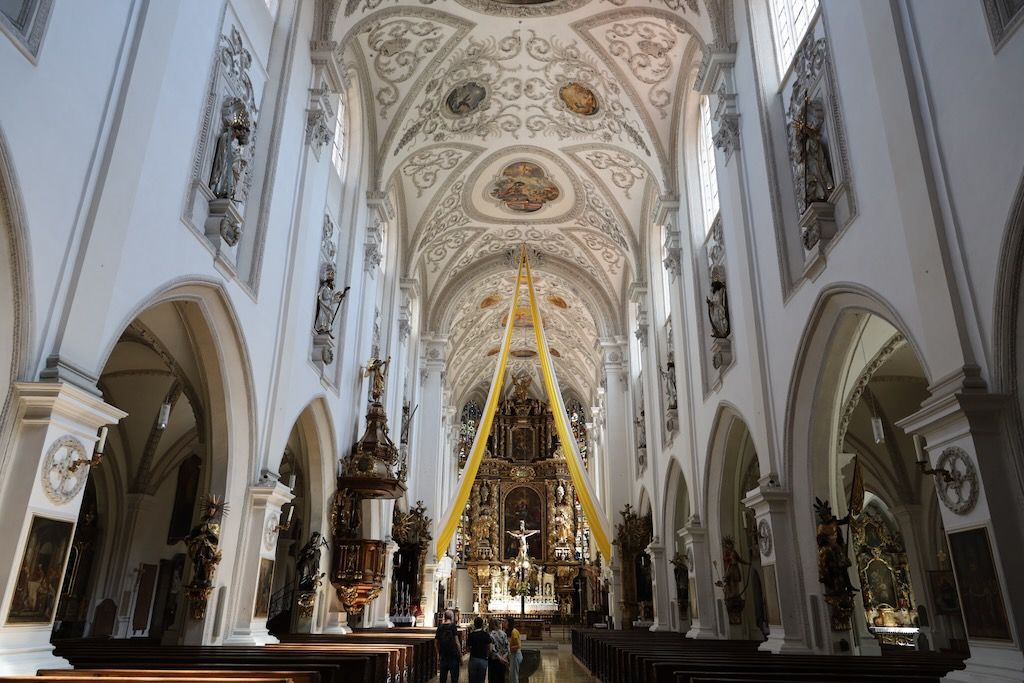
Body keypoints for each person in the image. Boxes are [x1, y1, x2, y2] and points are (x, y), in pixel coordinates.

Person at [435, 609, 461, 683]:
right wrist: (460, 655)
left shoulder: (440, 627)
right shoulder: (453, 627)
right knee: (454, 678)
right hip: (453, 655)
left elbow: (436, 642)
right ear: (452, 617)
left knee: (443, 679)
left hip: (443, 655)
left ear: (444, 617)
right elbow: (457, 642)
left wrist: (438, 654)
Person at [467, 616, 491, 683]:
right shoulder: (486, 634)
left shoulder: (471, 635)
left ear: (474, 624)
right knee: (481, 680)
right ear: (482, 624)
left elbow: (468, 647)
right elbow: (489, 647)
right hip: (483, 659)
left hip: (473, 658)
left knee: (472, 680)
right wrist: (487, 656)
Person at [489, 617, 510, 683]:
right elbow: (507, 648)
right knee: (501, 678)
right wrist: (503, 658)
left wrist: (499, 658)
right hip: (503, 660)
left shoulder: (491, 634)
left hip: (494, 660)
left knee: (493, 679)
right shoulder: (504, 634)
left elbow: (492, 649)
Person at [506, 617, 522, 683]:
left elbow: (518, 645)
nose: (504, 623)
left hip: (516, 655)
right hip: (513, 654)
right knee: (511, 676)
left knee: (514, 676)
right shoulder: (511, 631)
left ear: (509, 623)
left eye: (506, 622)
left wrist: (509, 649)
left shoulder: (514, 632)